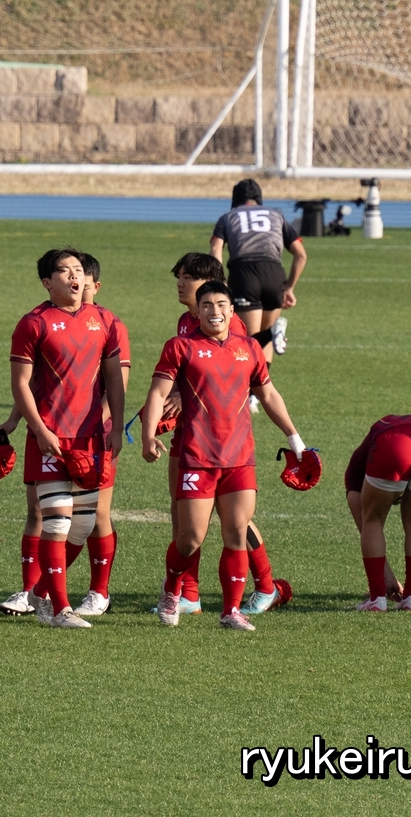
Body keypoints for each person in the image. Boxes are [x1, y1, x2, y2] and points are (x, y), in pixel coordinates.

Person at [140, 280, 307, 631]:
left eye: (221, 305)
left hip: (240, 458)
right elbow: (157, 393)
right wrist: (148, 435)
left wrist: (294, 438)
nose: (214, 311)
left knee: (236, 532)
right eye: (207, 305)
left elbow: (269, 394)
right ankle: (172, 589)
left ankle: (230, 611)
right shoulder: (181, 347)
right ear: (198, 311)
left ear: (232, 311)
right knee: (190, 539)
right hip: (197, 457)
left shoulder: (249, 348)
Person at [0, 251, 129, 619]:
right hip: (50, 438)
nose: (74, 276)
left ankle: (41, 593)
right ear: (47, 282)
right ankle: (59, 608)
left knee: (83, 524)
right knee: (54, 521)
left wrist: (117, 427)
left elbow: (115, 380)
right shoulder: (33, 323)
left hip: (90, 440)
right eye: (65, 271)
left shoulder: (105, 322)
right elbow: (21, 384)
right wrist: (36, 429)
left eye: (78, 270)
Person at [169, 252, 286, 617]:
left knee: (232, 520)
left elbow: (237, 375)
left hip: (221, 440)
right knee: (185, 518)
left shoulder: (228, 325)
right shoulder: (186, 322)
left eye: (186, 277)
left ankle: (265, 585)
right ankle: (189, 593)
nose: (179, 283)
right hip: (190, 432)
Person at [345, 415, 411, 612]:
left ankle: (377, 599)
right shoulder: (359, 470)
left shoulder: (355, 474)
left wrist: (383, 578)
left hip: (392, 442)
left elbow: (366, 523)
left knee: (373, 519)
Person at [209, 179, 307, 379]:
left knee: (248, 341)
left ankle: (251, 389)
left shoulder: (227, 218)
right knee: (264, 341)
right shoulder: (277, 215)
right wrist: (289, 288)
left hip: (244, 274)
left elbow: (216, 249)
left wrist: (220, 282)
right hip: (274, 273)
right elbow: (301, 255)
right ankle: (257, 392)